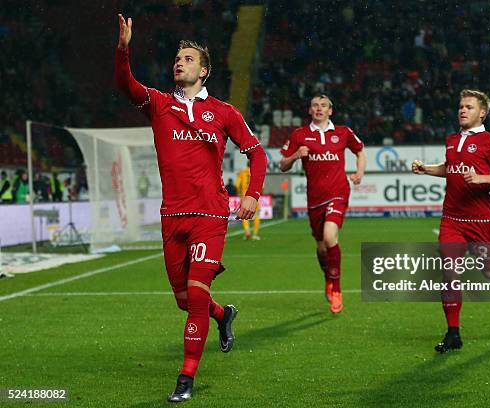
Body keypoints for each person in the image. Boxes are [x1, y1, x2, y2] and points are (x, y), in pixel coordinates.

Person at [115, 14, 267, 403]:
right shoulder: (160, 105)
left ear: (204, 70)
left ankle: (186, 377)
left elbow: (257, 154)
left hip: (211, 215)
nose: (179, 62)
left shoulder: (224, 112)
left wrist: (252, 195)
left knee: (196, 296)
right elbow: (126, 86)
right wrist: (123, 49)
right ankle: (223, 315)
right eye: (177, 58)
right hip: (172, 216)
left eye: (188, 58)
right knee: (184, 300)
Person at [412, 89, 490, 353]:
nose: (462, 110)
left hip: (480, 221)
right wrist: (427, 169)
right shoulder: (451, 139)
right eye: (461, 106)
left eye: (469, 107)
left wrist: (483, 178)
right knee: (449, 273)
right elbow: (450, 169)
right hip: (451, 219)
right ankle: (453, 333)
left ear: (482, 113)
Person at [280, 94, 366, 314]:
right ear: (310, 110)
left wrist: (359, 172)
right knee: (320, 246)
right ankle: (328, 277)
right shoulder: (300, 135)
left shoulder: (343, 132)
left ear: (330, 111)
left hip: (338, 193)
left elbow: (360, 151)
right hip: (314, 199)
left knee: (330, 237)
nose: (319, 109)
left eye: (323, 106)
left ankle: (336, 290)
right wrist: (296, 156)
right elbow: (282, 165)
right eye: (315, 106)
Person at [235, 164, 261, 240]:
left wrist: (240, 195)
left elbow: (237, 185)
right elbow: (262, 187)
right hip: (254, 197)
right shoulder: (257, 172)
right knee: (256, 215)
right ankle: (255, 235)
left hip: (244, 196)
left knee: (244, 214)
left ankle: (247, 231)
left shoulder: (242, 172)